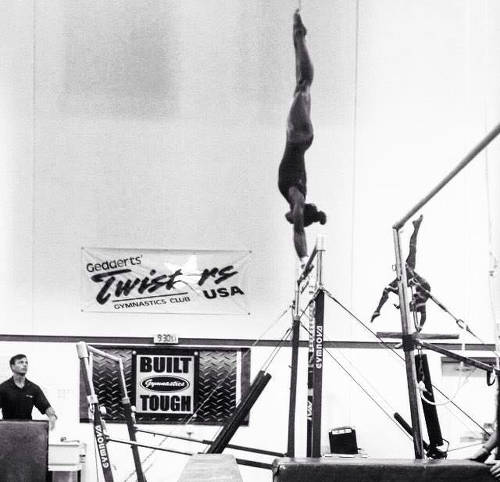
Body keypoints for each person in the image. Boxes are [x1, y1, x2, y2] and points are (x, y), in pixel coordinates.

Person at [278, 10, 326, 268]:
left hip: (301, 139)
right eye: (294, 217)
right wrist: (304, 258)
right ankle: (300, 37)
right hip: (298, 137)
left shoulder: (297, 194)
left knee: (302, 84)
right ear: (300, 215)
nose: (287, 216)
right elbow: (297, 231)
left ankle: (298, 37)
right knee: (304, 84)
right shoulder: (296, 198)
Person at [370, 214, 431, 330]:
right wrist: (420, 326)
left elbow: (401, 293)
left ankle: (377, 310)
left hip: (408, 277)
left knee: (388, 288)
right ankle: (416, 227)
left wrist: (399, 304)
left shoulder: (413, 301)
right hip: (416, 279)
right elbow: (423, 314)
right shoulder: (421, 302)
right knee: (413, 248)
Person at [0, 354, 57, 430]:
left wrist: (52, 416)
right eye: (21, 362)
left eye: (26, 362)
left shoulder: (33, 388)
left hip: (28, 431)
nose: (24, 365)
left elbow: (46, 407)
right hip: (7, 430)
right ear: (12, 366)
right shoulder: (3, 388)